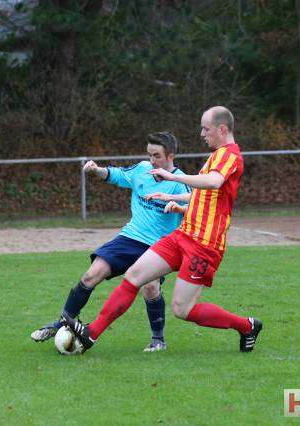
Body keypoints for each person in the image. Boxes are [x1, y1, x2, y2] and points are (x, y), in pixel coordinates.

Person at [63, 106, 262, 353]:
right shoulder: (217, 155)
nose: (202, 134)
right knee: (134, 276)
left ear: (222, 129)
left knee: (182, 309)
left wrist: (173, 178)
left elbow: (213, 183)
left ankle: (247, 326)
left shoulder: (230, 155)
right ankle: (91, 334)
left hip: (204, 245)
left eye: (205, 129)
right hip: (183, 234)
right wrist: (176, 201)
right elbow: (206, 196)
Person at [31, 131, 190, 352]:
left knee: (150, 287)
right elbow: (116, 175)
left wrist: (179, 208)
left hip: (158, 246)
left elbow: (196, 209)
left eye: (157, 156)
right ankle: (62, 322)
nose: (152, 160)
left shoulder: (179, 183)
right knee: (91, 275)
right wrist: (96, 170)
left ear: (171, 155)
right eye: (149, 154)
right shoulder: (142, 170)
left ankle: (158, 340)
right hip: (129, 238)